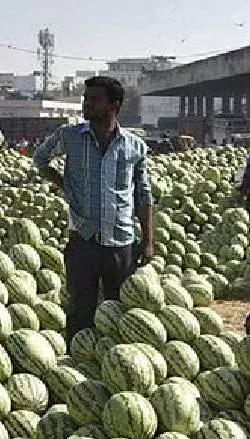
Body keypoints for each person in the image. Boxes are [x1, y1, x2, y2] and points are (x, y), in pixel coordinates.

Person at [34, 75, 156, 339]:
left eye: (94, 99)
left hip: (121, 241)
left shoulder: (135, 146)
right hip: (83, 241)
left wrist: (148, 242)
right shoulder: (69, 136)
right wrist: (65, 184)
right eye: (85, 99)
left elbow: (144, 196)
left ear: (114, 105)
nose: (86, 104)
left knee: (120, 315)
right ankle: (77, 366)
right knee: (80, 313)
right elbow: (40, 159)